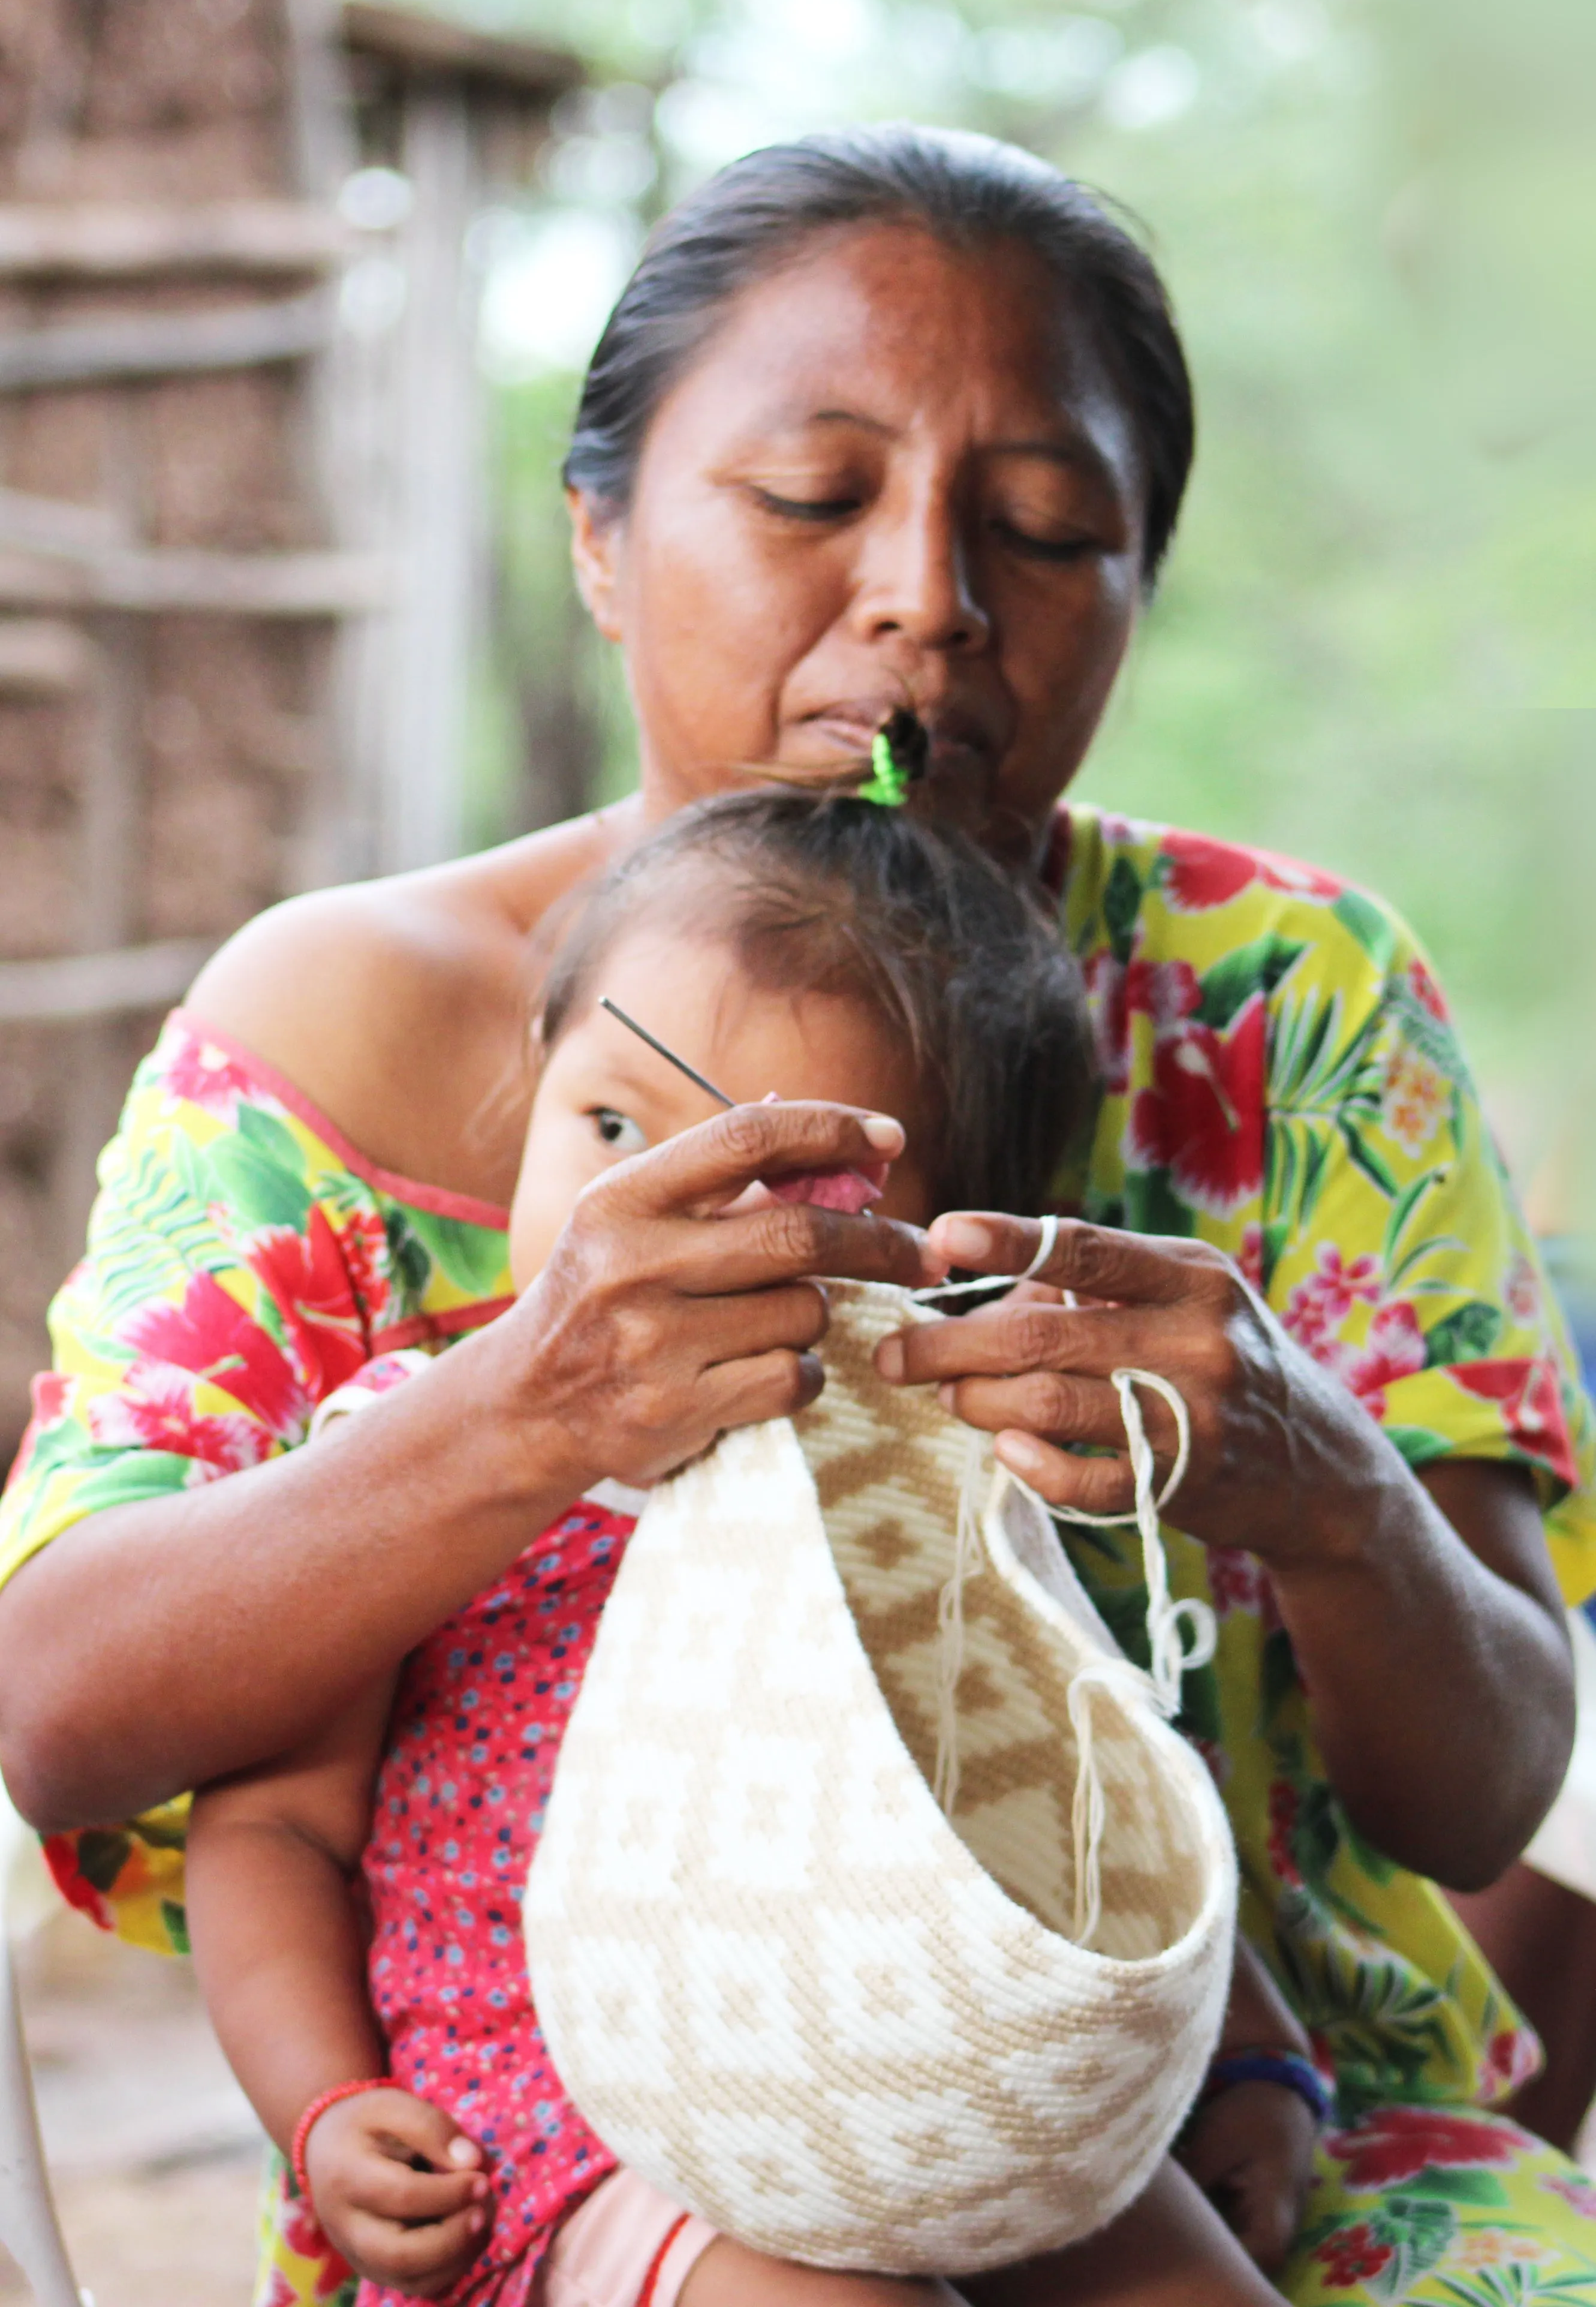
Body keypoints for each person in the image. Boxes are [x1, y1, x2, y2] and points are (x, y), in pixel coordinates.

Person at [0, 125, 1591, 2307]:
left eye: (1043, 528)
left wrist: (1323, 1494)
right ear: (598, 534)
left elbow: (1487, 1795)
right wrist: (517, 1418)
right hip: (557, 2152)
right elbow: (65, 1712)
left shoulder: (1281, 1000)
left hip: (1189, 2129)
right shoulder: (350, 1018)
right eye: (809, 497)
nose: (929, 595)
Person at [183, 787, 1287, 2306]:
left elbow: (1086, 1800)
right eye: (617, 1125)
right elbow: (273, 1830)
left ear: (945, 1257)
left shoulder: (940, 1473)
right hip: (572, 2130)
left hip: (939, 2076)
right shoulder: (413, 1458)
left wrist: (1256, 2053)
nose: (660, 1220)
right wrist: (321, 2108)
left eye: (794, 1199)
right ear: (535, 1078)